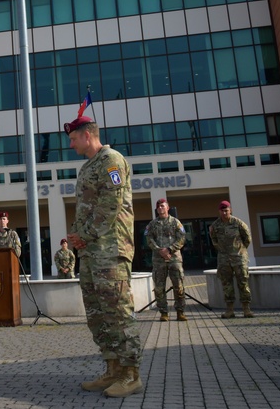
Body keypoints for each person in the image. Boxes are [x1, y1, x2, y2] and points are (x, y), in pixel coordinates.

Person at [63, 116, 143, 398]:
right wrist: (77, 235)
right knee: (98, 314)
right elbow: (85, 208)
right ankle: (112, 370)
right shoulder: (88, 166)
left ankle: (131, 374)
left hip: (111, 249)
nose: (71, 145)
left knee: (118, 312)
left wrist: (85, 235)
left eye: (73, 139)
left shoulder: (112, 161)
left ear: (87, 135)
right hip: (91, 252)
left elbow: (112, 203)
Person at [209, 200, 253, 319]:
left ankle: (246, 309)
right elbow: (214, 240)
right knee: (226, 285)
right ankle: (230, 310)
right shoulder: (215, 225)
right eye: (222, 211)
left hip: (239, 258)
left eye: (226, 210)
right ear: (219, 211)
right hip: (224, 259)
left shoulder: (238, 223)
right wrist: (223, 250)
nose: (224, 213)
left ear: (230, 210)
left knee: (243, 283)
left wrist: (240, 251)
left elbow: (247, 238)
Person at [144, 198, 187, 322]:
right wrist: (159, 250)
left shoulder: (175, 222)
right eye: (158, 207)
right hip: (158, 260)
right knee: (159, 287)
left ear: (168, 207)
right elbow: (149, 239)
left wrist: (169, 249)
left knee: (178, 286)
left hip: (174, 259)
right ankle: (163, 313)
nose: (160, 208)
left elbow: (182, 238)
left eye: (163, 206)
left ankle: (180, 312)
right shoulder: (152, 224)